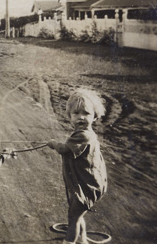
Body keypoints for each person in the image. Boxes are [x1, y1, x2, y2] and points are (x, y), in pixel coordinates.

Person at [47, 88, 108, 244]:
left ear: (95, 116)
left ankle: (69, 242)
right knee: (77, 215)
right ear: (69, 116)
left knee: (73, 217)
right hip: (88, 183)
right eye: (76, 113)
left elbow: (63, 149)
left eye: (86, 113)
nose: (81, 117)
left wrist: (53, 144)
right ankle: (83, 240)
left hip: (87, 186)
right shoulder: (84, 133)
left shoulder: (83, 135)